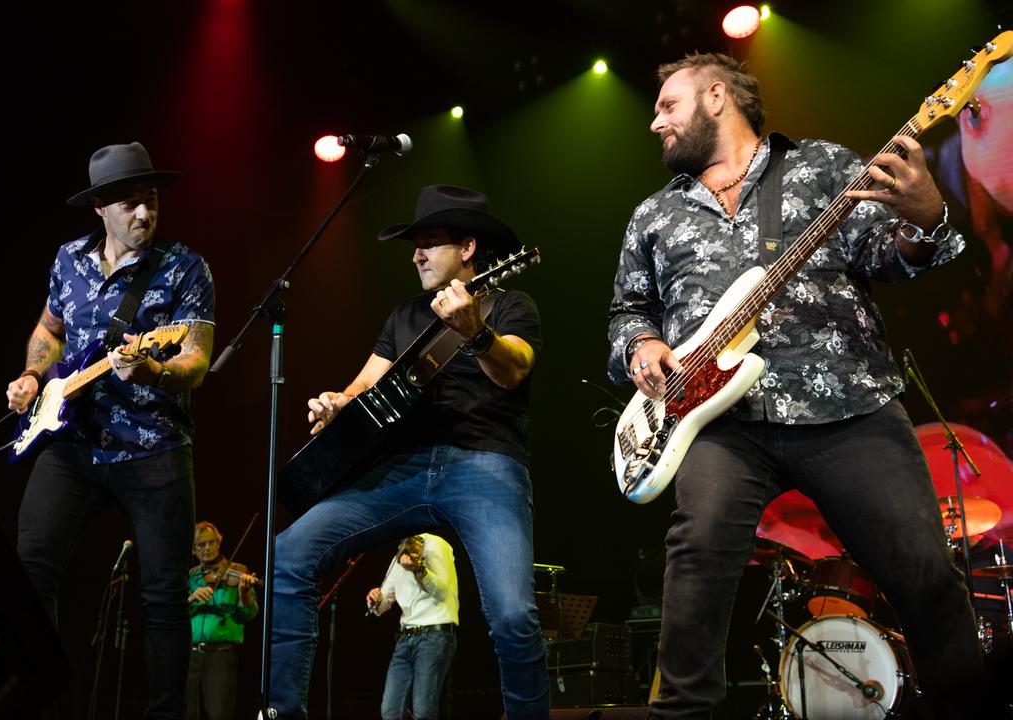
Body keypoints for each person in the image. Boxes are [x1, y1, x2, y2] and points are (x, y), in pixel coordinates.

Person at [607, 53, 989, 718]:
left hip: (846, 402)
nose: (654, 122)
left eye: (668, 106)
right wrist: (640, 346)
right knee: (694, 563)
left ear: (717, 96)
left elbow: (890, 255)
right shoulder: (652, 215)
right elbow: (627, 311)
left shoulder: (821, 167)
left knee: (926, 577)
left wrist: (927, 219)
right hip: (715, 422)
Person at [269, 184, 549, 719]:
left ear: (467, 248)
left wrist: (477, 333)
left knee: (513, 615)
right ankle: (283, 712)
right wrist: (335, 404)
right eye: (414, 244)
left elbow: (514, 369)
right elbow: (363, 387)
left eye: (429, 242)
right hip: (402, 468)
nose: (416, 254)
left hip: (484, 462)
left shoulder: (510, 302)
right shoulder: (403, 314)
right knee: (289, 554)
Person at [4, 141, 215, 719]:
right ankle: (45, 701)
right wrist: (30, 374)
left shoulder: (185, 267)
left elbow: (196, 359)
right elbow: (50, 332)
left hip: (154, 448)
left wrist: (153, 368)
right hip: (70, 444)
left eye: (150, 202)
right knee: (29, 571)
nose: (143, 214)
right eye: (128, 204)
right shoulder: (67, 258)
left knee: (165, 596)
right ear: (99, 207)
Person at [365, 534, 460, 720]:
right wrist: (375, 599)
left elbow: (442, 591)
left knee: (423, 712)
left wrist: (418, 569)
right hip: (405, 639)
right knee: (390, 711)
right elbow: (384, 601)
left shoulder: (436, 545)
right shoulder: (398, 555)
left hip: (434, 635)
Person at [186, 521, 259, 720]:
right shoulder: (190, 577)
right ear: (193, 550)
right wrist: (191, 598)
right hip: (190, 655)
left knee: (220, 714)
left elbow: (250, 613)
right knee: (188, 713)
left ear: (219, 543)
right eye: (201, 545)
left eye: (211, 542)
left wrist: (244, 593)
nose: (207, 548)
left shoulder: (237, 570)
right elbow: (175, 616)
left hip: (221, 655)